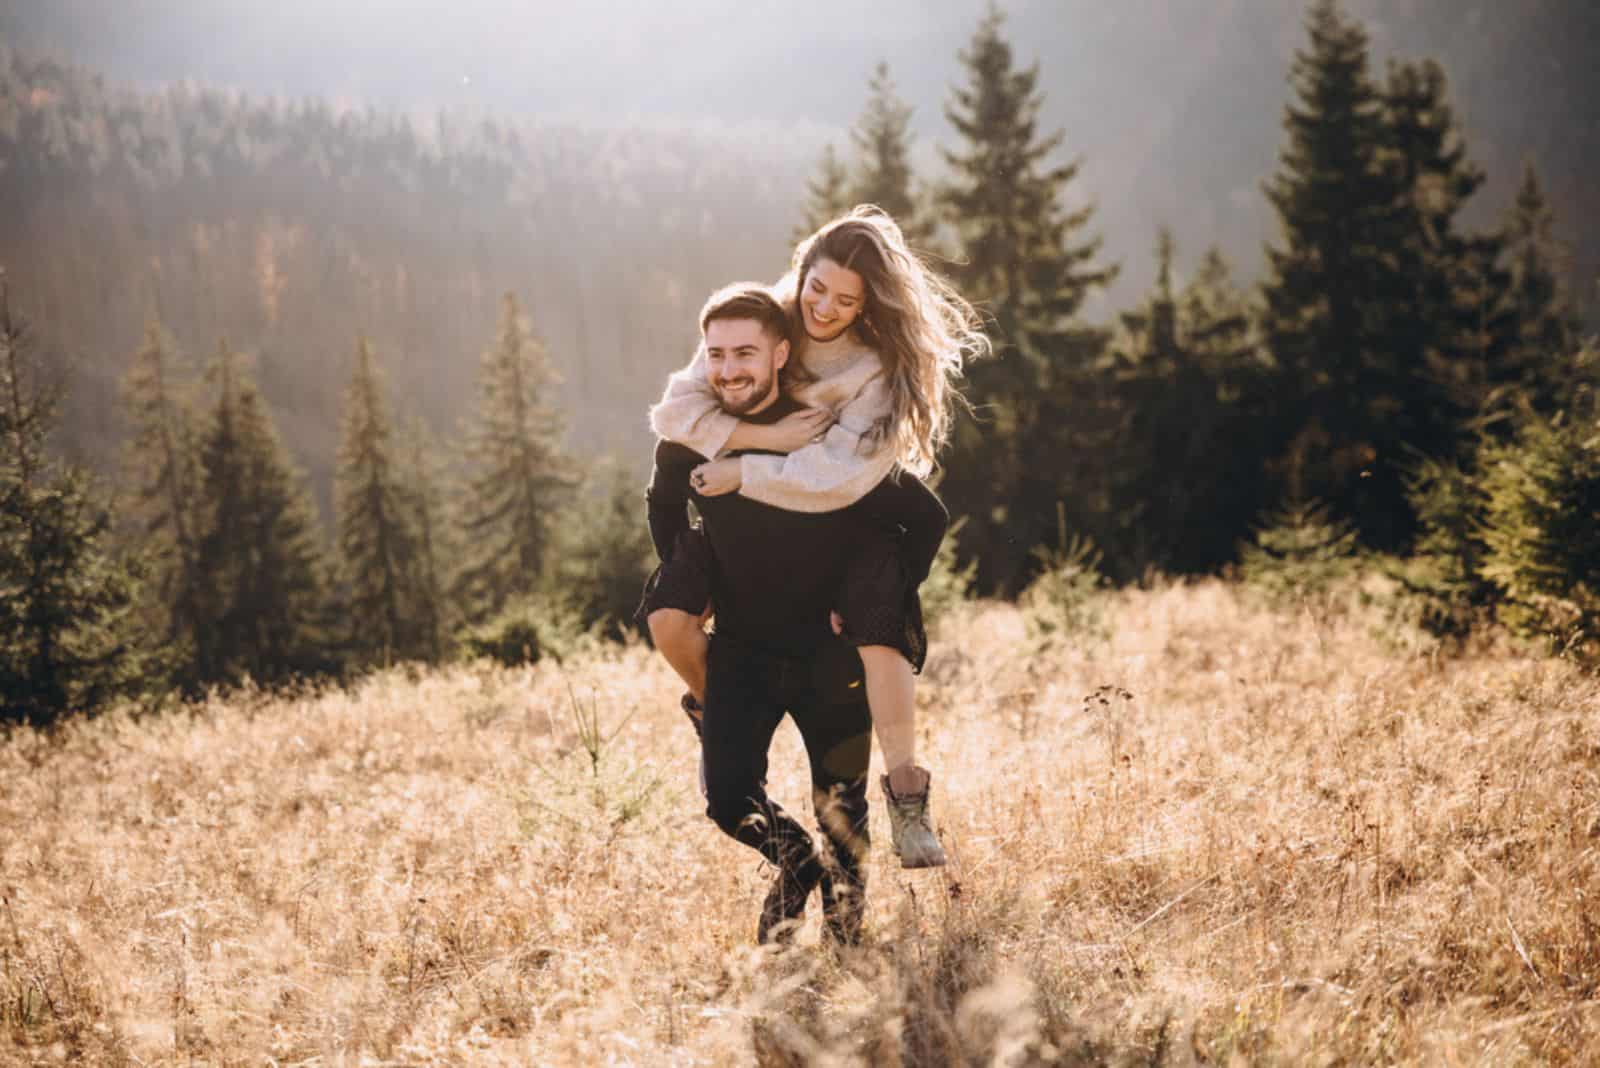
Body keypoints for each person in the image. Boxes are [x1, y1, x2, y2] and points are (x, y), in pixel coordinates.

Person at [645, 206, 988, 869]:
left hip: (852, 506)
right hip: (759, 523)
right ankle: (717, 714)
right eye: (816, 287)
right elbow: (676, 411)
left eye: (844, 299)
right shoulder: (766, 316)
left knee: (878, 619)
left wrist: (743, 472)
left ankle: (908, 794)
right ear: (801, 273)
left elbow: (837, 475)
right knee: (671, 608)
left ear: (867, 306)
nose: (822, 307)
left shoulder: (874, 368)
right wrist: (761, 437)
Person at [645, 282, 897, 943]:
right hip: (742, 651)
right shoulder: (697, 429)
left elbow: (901, 516)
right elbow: (663, 495)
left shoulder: (821, 423)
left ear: (782, 353)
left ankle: (847, 950)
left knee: (842, 811)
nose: (729, 370)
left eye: (745, 354)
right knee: (728, 801)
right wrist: (687, 571)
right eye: (717, 354)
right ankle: (794, 862)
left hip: (829, 651)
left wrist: (864, 600)